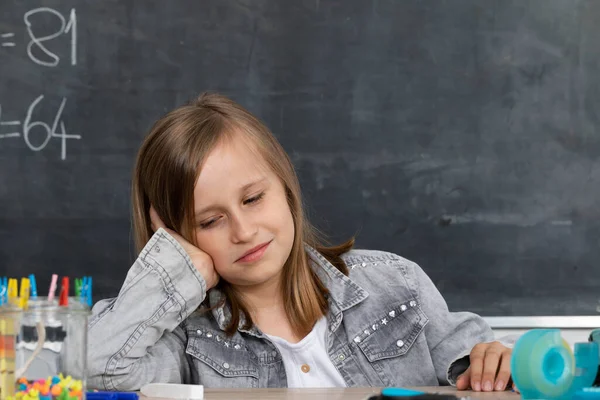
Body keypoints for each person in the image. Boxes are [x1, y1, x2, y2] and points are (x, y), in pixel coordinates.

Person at [88, 92, 513, 391]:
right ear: (178, 236)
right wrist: (171, 266)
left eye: (253, 198)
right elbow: (94, 369)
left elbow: (488, 367)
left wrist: (503, 365)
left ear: (285, 185)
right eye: (210, 221)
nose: (243, 231)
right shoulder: (186, 339)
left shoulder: (398, 287)